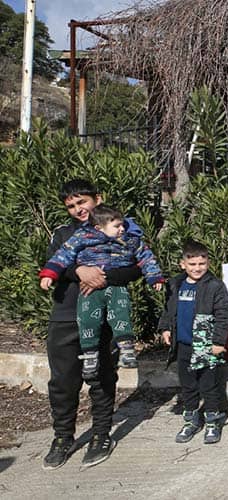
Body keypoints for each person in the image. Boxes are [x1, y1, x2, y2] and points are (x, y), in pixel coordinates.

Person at [41, 180, 143, 470]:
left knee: (100, 377)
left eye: (81, 202)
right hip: (64, 315)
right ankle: (62, 438)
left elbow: (137, 267)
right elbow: (55, 264)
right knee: (62, 381)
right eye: (71, 206)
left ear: (97, 199)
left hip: (102, 317)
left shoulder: (121, 228)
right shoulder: (63, 233)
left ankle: (101, 435)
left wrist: (104, 278)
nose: (78, 209)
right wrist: (79, 271)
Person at [39, 205, 165, 380]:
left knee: (121, 313)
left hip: (115, 286)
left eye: (122, 225)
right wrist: (50, 274)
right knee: (88, 319)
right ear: (99, 228)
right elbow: (63, 254)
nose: (122, 229)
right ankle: (90, 356)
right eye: (117, 226)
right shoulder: (83, 237)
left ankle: (126, 348)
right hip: (89, 289)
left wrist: (155, 277)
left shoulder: (130, 239)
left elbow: (146, 257)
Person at [159, 240, 228, 445]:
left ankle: (212, 421)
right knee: (188, 385)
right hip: (183, 344)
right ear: (183, 264)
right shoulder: (175, 284)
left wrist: (218, 341)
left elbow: (224, 314)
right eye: (192, 264)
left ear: (208, 263)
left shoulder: (214, 286)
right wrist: (165, 328)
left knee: (208, 385)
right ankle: (191, 420)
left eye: (201, 263)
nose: (197, 268)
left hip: (206, 345)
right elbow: (168, 309)